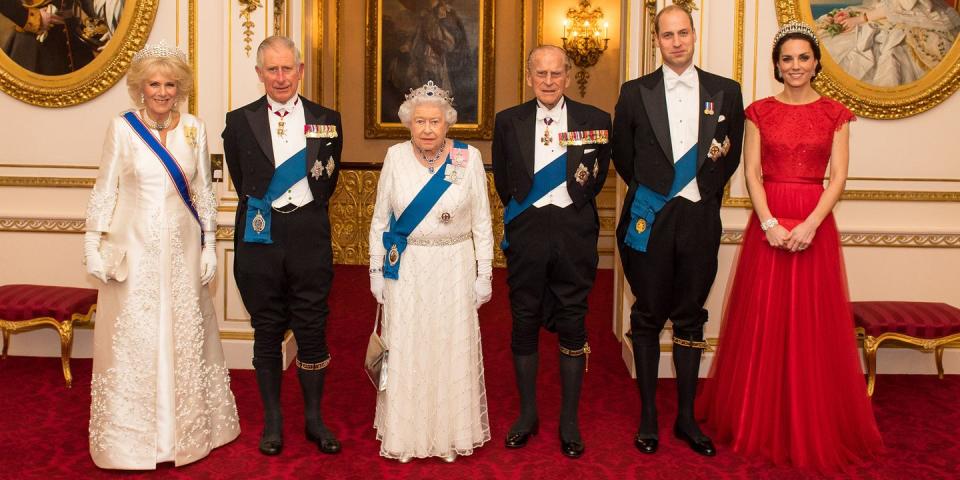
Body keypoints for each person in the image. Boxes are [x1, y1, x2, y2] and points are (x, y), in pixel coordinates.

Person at [696, 21, 884, 472]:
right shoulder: (759, 111)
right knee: (765, 319)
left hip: (814, 222)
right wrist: (769, 223)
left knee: (811, 325)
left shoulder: (835, 114)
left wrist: (810, 225)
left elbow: (838, 178)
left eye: (803, 57)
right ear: (777, 66)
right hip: (771, 222)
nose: (795, 65)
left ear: (816, 62)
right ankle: (758, 417)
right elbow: (752, 173)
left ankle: (810, 419)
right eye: (787, 59)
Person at [84, 41, 239, 469]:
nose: (162, 91)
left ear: (180, 88)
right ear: (140, 87)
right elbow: (105, 190)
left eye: (170, 83)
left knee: (186, 334)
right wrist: (91, 245)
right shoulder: (122, 128)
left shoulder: (194, 127)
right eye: (154, 83)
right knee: (136, 338)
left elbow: (205, 192)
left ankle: (186, 435)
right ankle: (133, 441)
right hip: (134, 248)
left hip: (184, 247)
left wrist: (209, 244)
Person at [611, 5, 744, 457]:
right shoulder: (634, 92)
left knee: (690, 315)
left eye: (683, 32)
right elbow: (623, 157)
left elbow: (731, 156)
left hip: (699, 217)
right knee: (647, 313)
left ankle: (686, 417)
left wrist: (698, 194)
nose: (676, 41)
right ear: (656, 40)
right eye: (667, 35)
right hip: (650, 215)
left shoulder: (726, 91)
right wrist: (659, 192)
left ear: (694, 34)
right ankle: (649, 416)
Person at [222, 35, 342, 456]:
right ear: (259, 75)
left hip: (308, 235)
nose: (280, 77)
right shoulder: (238, 122)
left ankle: (314, 419)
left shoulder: (328, 119)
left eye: (287, 68)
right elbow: (241, 178)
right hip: (260, 237)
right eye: (271, 69)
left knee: (312, 329)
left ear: (300, 70)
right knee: (267, 329)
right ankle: (273, 423)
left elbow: (328, 179)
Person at [491, 45, 611, 459]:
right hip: (527, 234)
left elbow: (594, 180)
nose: (548, 81)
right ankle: (527, 416)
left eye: (555, 74)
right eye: (540, 73)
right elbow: (504, 181)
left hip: (575, 233)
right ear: (528, 77)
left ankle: (569, 421)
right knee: (523, 321)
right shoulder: (508, 122)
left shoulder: (596, 121)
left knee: (575, 324)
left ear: (566, 75)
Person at [368, 80, 494, 463]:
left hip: (454, 264)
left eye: (434, 122)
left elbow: (482, 222)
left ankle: (450, 435)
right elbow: (379, 219)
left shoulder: (467, 158)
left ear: (447, 124)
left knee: (450, 344)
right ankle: (408, 436)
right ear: (408, 123)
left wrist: (484, 272)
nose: (426, 128)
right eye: (419, 121)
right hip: (408, 267)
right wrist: (376, 269)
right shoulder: (394, 157)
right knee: (408, 346)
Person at [817, 0, 960, 86]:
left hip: (913, 14)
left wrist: (862, 18)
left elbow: (901, 5)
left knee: (888, 50)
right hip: (887, 11)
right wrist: (858, 15)